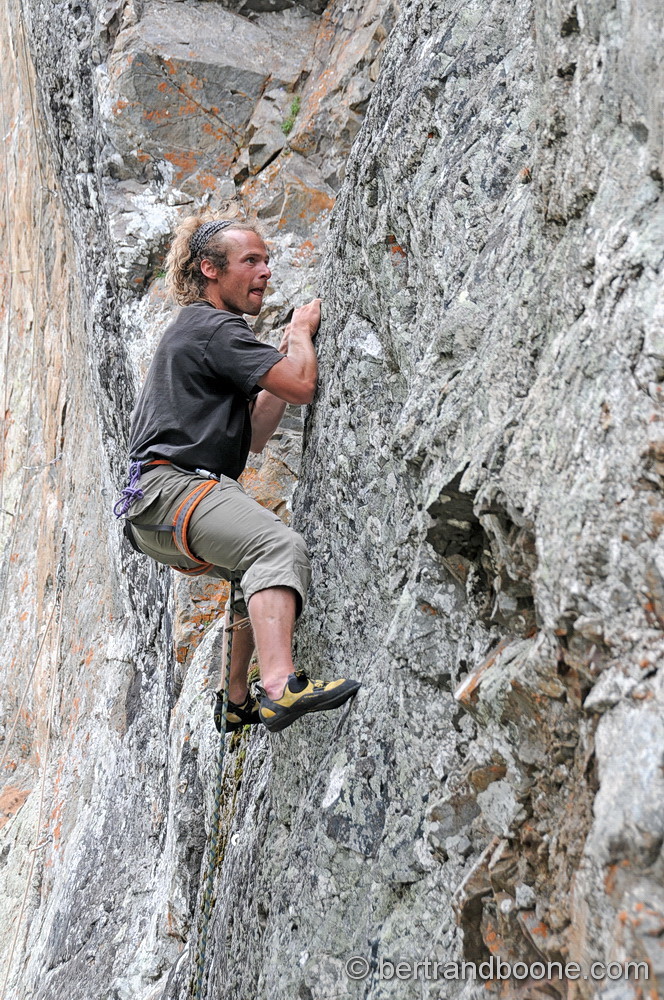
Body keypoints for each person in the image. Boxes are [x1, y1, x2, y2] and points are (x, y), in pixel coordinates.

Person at [114, 212, 360, 733]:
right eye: (251, 260)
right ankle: (280, 688)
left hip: (151, 508)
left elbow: (256, 436)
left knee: (252, 576)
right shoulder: (212, 325)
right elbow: (300, 385)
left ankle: (236, 698)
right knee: (276, 548)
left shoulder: (198, 332)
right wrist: (297, 333)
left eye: (266, 260)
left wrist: (271, 372)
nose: (265, 271)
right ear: (210, 269)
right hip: (171, 488)